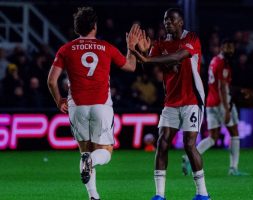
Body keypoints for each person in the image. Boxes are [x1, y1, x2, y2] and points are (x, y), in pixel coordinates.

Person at [47, 7, 140, 200]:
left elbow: (51, 80)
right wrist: (131, 48)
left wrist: (59, 100)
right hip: (101, 105)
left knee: (85, 152)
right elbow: (131, 67)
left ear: (76, 29)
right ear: (95, 27)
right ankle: (92, 168)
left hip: (77, 106)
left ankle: (93, 196)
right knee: (104, 152)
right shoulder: (106, 47)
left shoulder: (66, 49)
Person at [130, 8, 210, 200]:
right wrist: (142, 51)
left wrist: (149, 57)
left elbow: (178, 56)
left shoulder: (191, 38)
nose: (168, 23)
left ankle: (203, 194)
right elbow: (146, 64)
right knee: (162, 143)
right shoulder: (160, 43)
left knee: (189, 145)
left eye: (172, 20)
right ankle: (159, 195)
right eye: (166, 20)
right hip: (171, 101)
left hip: (192, 99)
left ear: (181, 22)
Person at [183, 39, 249, 176]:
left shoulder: (214, 60)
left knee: (212, 137)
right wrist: (226, 109)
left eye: (231, 47)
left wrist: (238, 90)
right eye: (227, 47)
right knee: (234, 133)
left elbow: (219, 84)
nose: (230, 50)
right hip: (221, 103)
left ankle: (188, 157)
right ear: (221, 48)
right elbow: (222, 87)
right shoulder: (223, 63)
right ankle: (233, 169)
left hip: (210, 102)